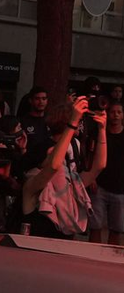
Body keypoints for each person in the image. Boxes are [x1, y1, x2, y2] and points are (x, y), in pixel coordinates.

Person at [20, 97, 107, 238]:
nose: (63, 163)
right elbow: (53, 166)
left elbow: (99, 167)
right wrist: (72, 122)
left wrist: (102, 129)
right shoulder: (32, 186)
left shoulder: (68, 185)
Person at [89, 101, 124, 246]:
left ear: (123, 115)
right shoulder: (99, 131)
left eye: (119, 112)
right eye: (113, 112)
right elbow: (89, 155)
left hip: (121, 188)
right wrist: (90, 177)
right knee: (95, 226)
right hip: (98, 186)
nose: (116, 115)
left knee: (116, 229)